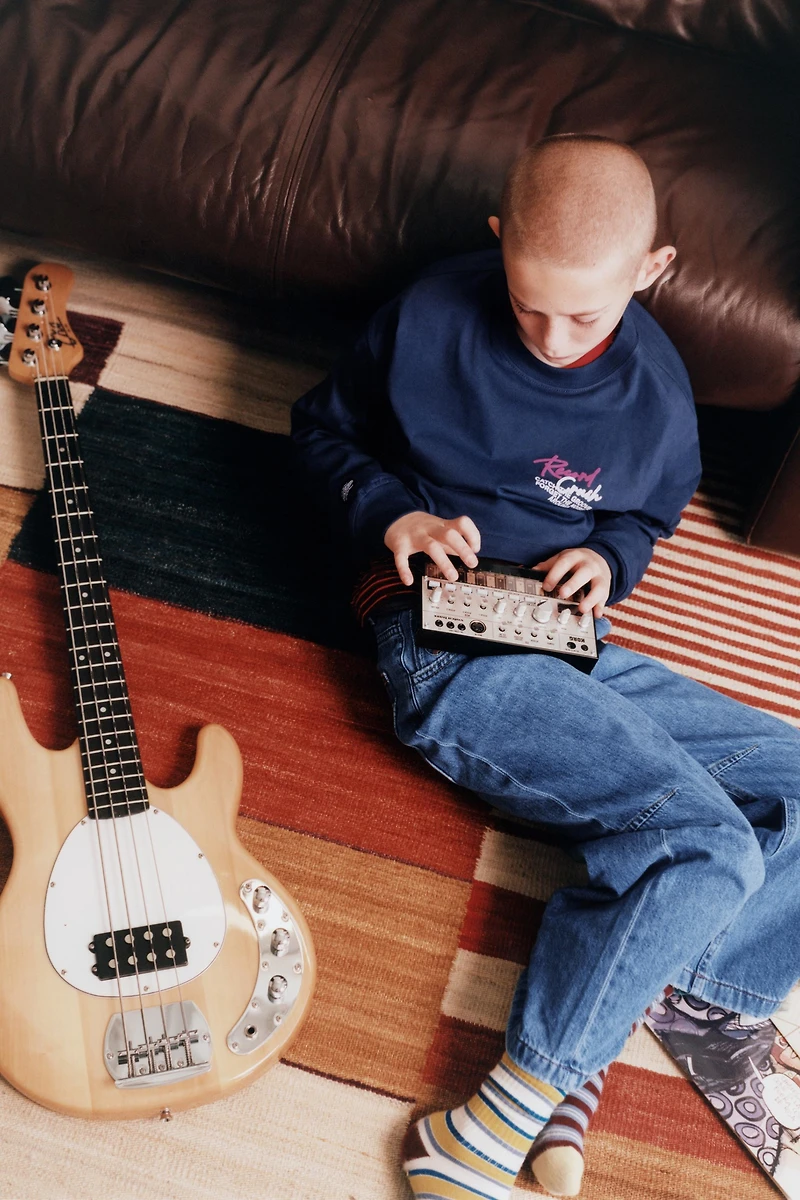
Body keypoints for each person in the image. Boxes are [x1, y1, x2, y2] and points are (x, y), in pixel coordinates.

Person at [291, 135, 800, 1199]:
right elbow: (321, 432)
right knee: (705, 842)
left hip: (568, 645)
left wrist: (606, 557)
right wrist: (395, 515)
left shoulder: (653, 385)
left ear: (649, 272)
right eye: (528, 305)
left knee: (790, 781)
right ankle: (509, 1106)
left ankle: (687, 983)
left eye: (584, 314)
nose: (552, 337)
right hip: (446, 648)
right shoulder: (431, 315)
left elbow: (646, 510)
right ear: (498, 245)